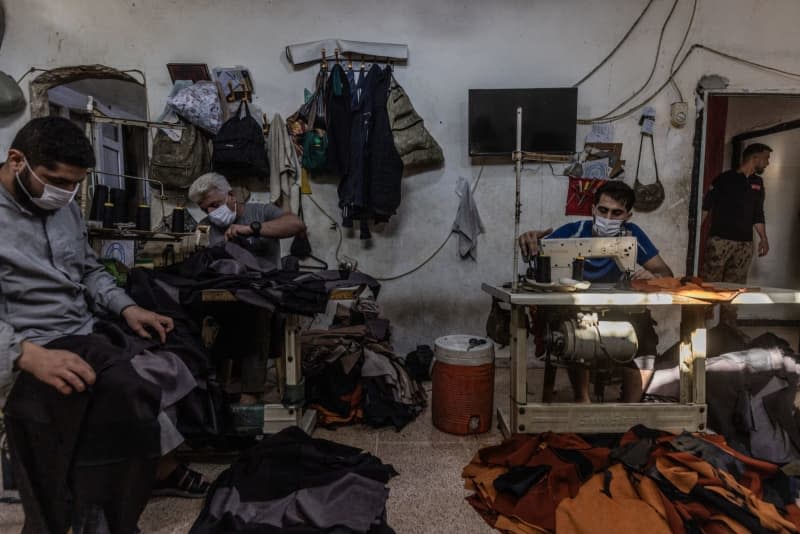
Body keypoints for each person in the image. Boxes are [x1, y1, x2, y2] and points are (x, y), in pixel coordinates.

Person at [0, 117, 208, 532]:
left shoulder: (63, 207)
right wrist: (23, 354)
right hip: (26, 343)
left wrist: (128, 308)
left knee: (170, 360)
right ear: (16, 160)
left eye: (74, 185)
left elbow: (90, 270)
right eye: (55, 180)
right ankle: (88, 509)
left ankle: (138, 483)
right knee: (115, 393)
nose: (66, 193)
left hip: (83, 329)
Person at [518, 180, 673, 403]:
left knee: (645, 337)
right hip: (577, 309)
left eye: (616, 213)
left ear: (627, 216)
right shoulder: (574, 232)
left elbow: (665, 271)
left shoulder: (633, 235)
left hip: (617, 308)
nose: (608, 218)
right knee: (576, 333)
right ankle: (583, 401)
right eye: (603, 210)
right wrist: (529, 239)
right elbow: (538, 249)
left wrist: (655, 276)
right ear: (593, 209)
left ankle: (631, 409)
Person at [188, 172, 306, 270]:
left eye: (215, 205)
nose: (210, 212)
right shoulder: (204, 226)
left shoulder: (262, 212)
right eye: (205, 209)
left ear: (231, 196)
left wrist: (251, 229)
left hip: (265, 287)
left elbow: (297, 224)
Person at [701, 143, 770, 284]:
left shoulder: (758, 182)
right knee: (709, 285)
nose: (768, 163)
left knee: (735, 289)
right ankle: (705, 307)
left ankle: (728, 307)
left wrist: (763, 238)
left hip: (745, 245)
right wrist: (695, 235)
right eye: (766, 158)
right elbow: (705, 207)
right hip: (720, 242)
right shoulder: (724, 179)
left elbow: (758, 213)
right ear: (755, 158)